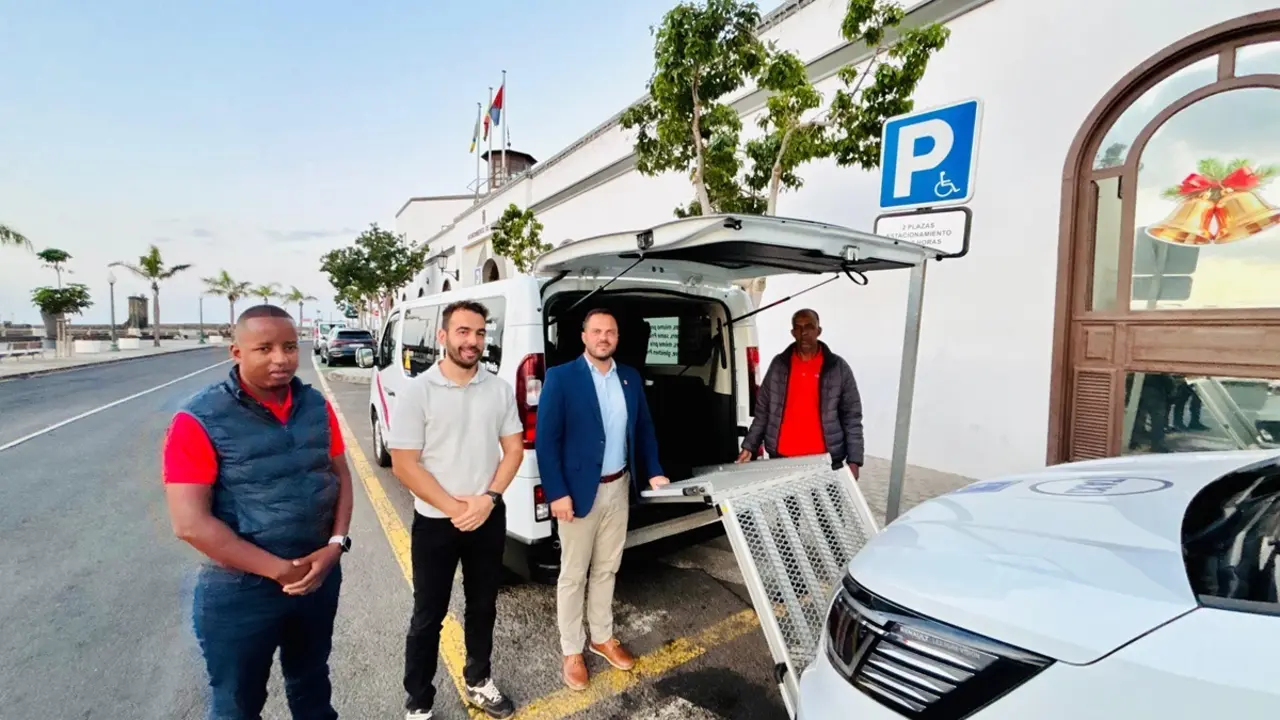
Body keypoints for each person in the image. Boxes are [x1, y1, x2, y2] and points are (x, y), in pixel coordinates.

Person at [162, 304, 354, 720]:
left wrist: (335, 545)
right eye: (264, 348)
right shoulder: (198, 419)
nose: (280, 358)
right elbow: (190, 523)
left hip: (317, 577)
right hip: (241, 590)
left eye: (290, 346)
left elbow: (340, 475)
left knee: (312, 686)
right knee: (237, 705)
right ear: (236, 352)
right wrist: (278, 570)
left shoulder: (315, 405)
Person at [387, 300, 523, 720]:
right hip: (435, 524)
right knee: (428, 615)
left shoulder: (498, 389)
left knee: (483, 606)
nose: (473, 341)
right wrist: (455, 508)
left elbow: (513, 450)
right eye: (464, 331)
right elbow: (404, 463)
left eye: (480, 333)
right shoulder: (419, 391)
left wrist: (489, 498)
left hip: (487, 517)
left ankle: (478, 680)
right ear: (443, 336)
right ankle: (419, 701)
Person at [535, 308, 670, 691]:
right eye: (596, 331)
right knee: (573, 573)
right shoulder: (561, 378)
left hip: (619, 486)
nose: (603, 337)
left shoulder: (629, 377)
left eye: (610, 331)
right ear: (584, 336)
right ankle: (571, 650)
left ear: (617, 338)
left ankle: (601, 637)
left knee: (607, 568)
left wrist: (653, 469)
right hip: (578, 492)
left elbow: (643, 430)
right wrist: (557, 493)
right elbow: (547, 441)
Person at [737, 309, 865, 477]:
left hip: (825, 463)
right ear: (792, 333)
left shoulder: (838, 368)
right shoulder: (779, 365)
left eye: (809, 327)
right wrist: (749, 447)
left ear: (819, 331)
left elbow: (852, 417)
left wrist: (854, 461)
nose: (804, 333)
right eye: (798, 328)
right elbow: (763, 412)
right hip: (782, 460)